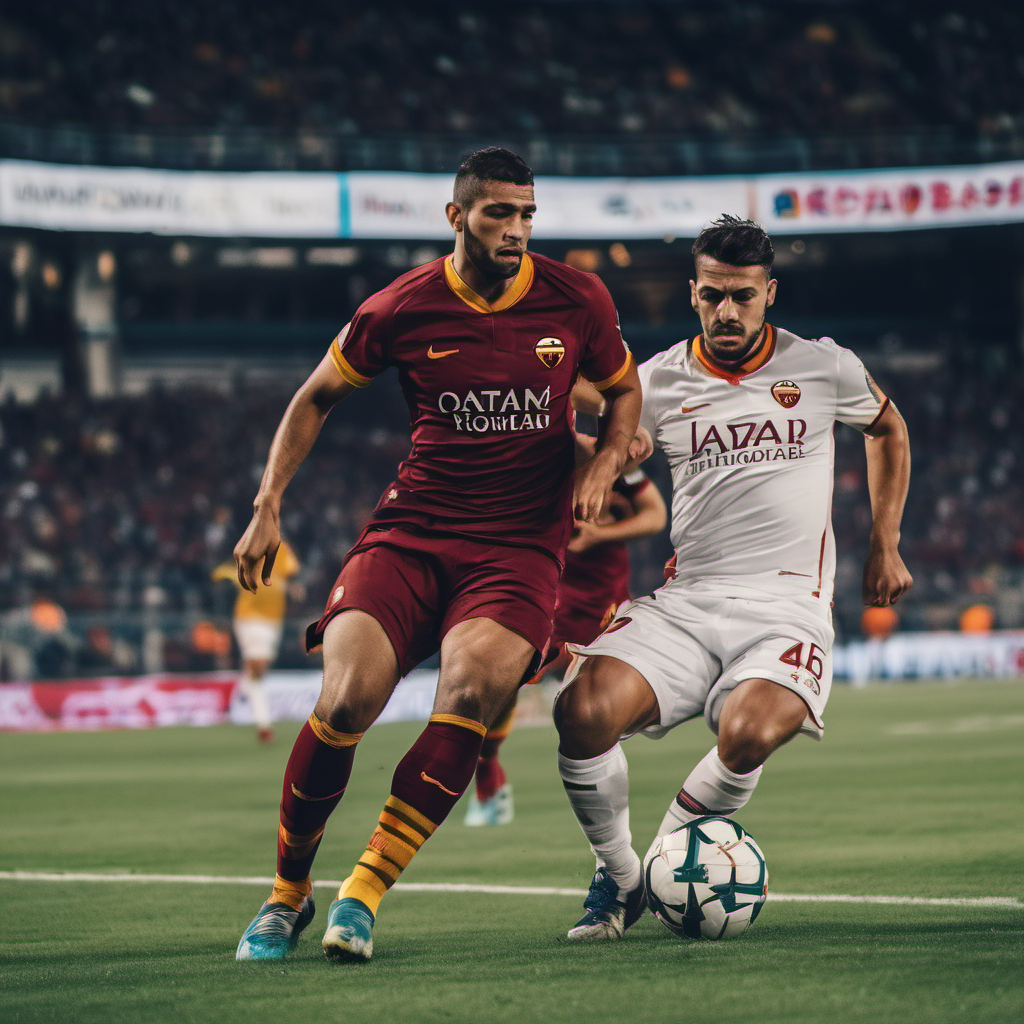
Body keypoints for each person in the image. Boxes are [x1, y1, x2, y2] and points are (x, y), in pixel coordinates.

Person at [233, 147, 642, 962]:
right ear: (457, 217)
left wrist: (604, 460)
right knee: (344, 701)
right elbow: (315, 397)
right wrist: (267, 503)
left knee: (470, 691)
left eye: (527, 214)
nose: (517, 229)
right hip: (412, 534)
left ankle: (362, 893)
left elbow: (625, 388)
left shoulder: (578, 299)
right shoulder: (401, 307)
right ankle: (286, 896)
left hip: (517, 550)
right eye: (499, 213)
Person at [553, 214, 912, 941]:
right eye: (713, 295)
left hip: (788, 608)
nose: (727, 311)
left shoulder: (824, 366)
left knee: (749, 731)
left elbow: (887, 428)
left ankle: (660, 859)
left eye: (743, 296)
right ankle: (619, 878)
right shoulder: (655, 380)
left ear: (768, 294)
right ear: (693, 293)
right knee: (581, 713)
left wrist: (885, 543)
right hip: (688, 602)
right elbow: (582, 405)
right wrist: (595, 436)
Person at [465, 440, 667, 826]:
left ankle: (609, 794)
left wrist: (600, 534)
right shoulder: (539, 471)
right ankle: (489, 769)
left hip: (607, 613)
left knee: (602, 706)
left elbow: (655, 516)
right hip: (554, 607)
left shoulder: (612, 467)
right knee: (505, 675)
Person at [212, 540, 302, 742]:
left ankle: (236, 695)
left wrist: (294, 589)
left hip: (273, 620)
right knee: (257, 670)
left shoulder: (282, 549)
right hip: (250, 618)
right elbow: (225, 570)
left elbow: (292, 573)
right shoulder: (250, 547)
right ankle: (264, 724)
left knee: (257, 671)